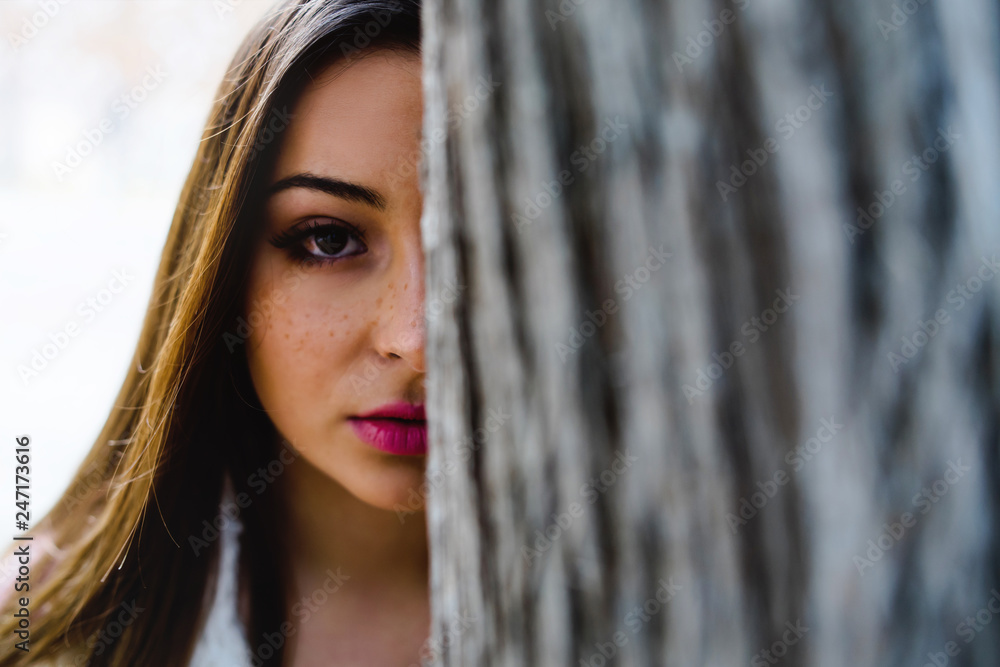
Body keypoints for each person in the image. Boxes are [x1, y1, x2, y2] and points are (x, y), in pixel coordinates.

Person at [0, 1, 431, 664]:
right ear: (224, 266)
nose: (415, 338)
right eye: (329, 238)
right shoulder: (42, 622)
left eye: (477, 246)